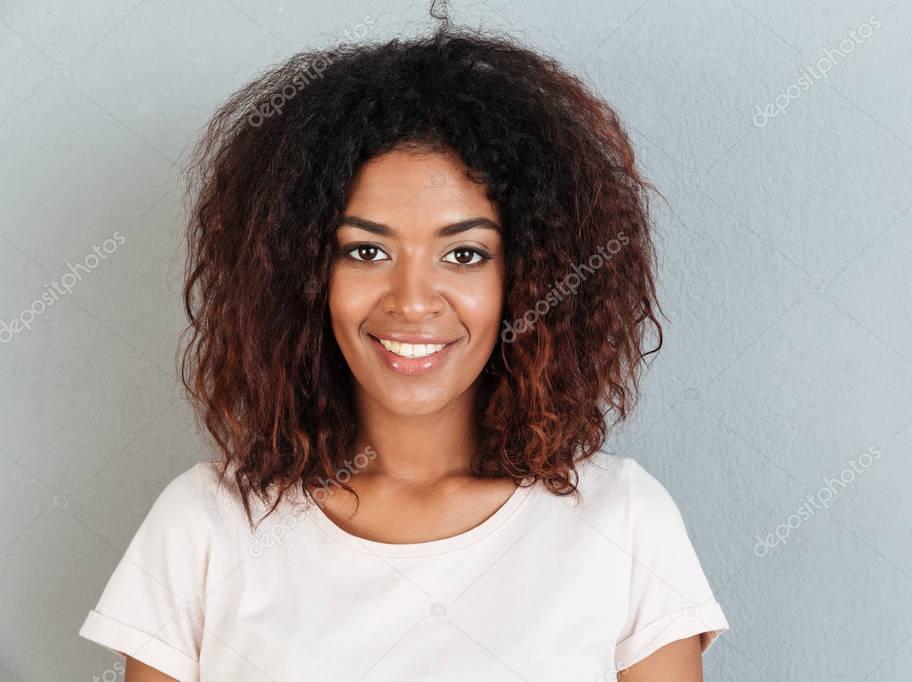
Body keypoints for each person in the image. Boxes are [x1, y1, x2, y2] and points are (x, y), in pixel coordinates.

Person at [78, 14, 728, 682]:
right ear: (301, 277)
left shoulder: (621, 522)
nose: (413, 300)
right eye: (366, 250)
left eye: (464, 253)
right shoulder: (205, 526)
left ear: (528, 278)